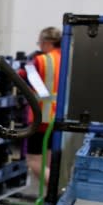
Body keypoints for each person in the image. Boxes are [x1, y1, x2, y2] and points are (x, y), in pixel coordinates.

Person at [24, 26, 62, 187]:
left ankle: (56, 189)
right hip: (60, 118)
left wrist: (27, 65)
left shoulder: (42, 60)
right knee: (51, 160)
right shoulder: (67, 57)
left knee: (34, 161)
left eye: (40, 43)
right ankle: (50, 198)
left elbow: (21, 77)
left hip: (42, 118)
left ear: (46, 42)